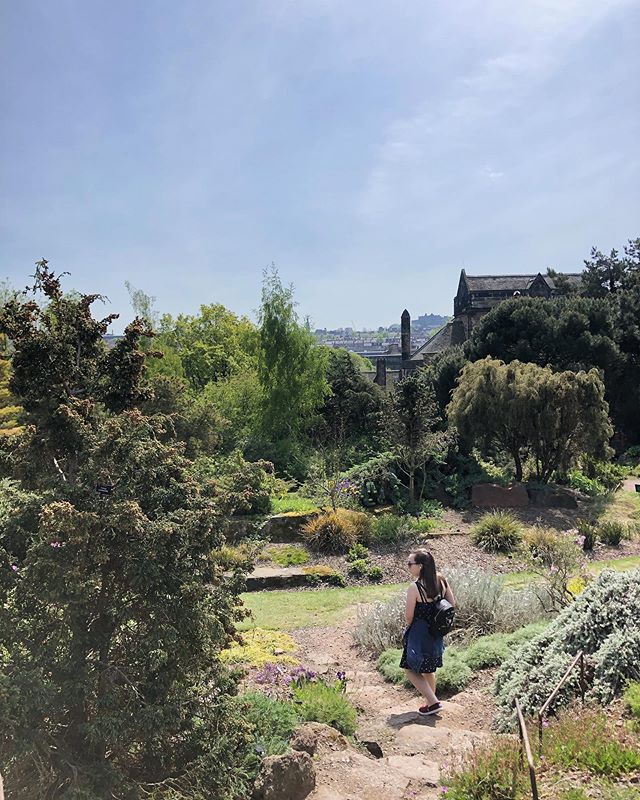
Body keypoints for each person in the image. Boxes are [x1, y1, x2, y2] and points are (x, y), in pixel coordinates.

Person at [400, 549, 455, 716]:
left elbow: (409, 617)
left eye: (410, 564)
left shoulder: (415, 587)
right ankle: (430, 704)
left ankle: (433, 702)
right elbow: (452, 604)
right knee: (429, 669)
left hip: (419, 635)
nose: (408, 567)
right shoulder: (441, 581)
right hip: (435, 633)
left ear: (421, 566)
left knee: (410, 669)